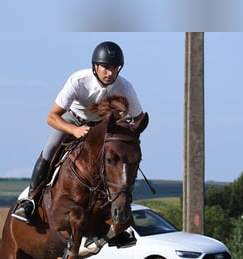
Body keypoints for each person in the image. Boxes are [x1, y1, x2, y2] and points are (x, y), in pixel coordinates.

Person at [11, 41, 144, 229]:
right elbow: (51, 117)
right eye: (105, 67)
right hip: (73, 120)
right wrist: (74, 130)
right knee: (49, 150)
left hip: (102, 128)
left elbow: (138, 119)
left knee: (115, 164)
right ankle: (30, 201)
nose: (110, 73)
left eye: (114, 68)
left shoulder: (125, 87)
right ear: (95, 66)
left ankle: (118, 218)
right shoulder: (78, 80)